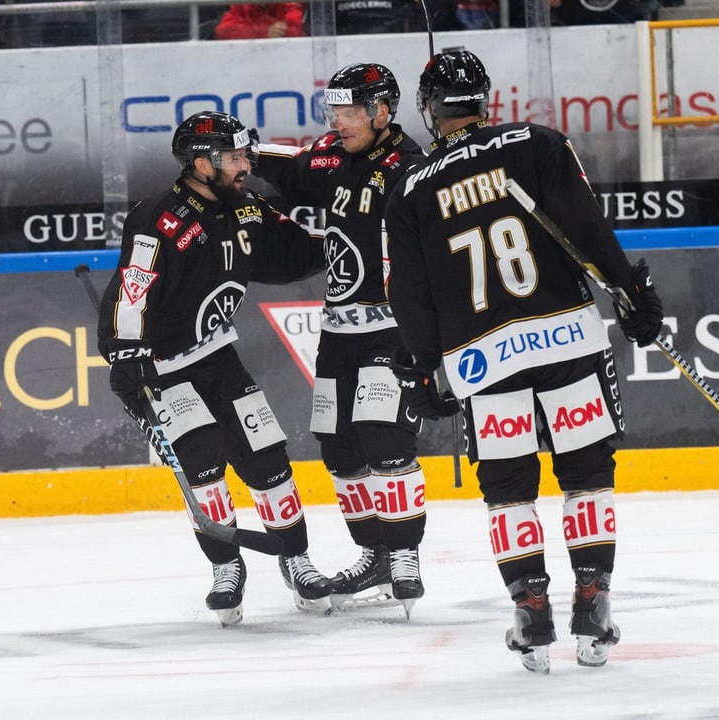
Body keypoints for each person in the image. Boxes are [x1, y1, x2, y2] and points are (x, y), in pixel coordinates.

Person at [384, 50, 664, 672]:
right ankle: (593, 603)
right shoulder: (539, 144)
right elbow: (587, 229)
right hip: (566, 340)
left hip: (483, 362)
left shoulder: (410, 187)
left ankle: (531, 611)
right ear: (486, 99)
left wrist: (429, 368)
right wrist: (631, 293)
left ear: (430, 111)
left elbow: (409, 292)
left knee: (509, 489)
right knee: (588, 472)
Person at [97, 111, 334, 626]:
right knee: (203, 468)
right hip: (166, 367)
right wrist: (126, 354)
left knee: (268, 459)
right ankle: (226, 568)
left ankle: (297, 559)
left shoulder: (243, 207)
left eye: (246, 154)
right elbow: (132, 291)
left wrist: (341, 244)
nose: (247, 164)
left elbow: (288, 254)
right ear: (201, 164)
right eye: (236, 157)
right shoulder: (159, 218)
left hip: (218, 356)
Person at [253, 63, 431, 617]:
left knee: (385, 441)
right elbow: (291, 166)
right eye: (334, 111)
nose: (339, 120)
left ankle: (404, 555)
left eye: (350, 111)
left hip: (394, 328)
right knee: (339, 447)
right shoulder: (333, 153)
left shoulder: (414, 168)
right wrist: (235, 152)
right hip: (338, 330)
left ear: (382, 111)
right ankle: (375, 552)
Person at [213, 3, 306, 39]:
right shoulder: (241, 4)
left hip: (286, 60)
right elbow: (223, 31)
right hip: (247, 61)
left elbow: (297, 31)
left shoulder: (290, 3)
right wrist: (265, 32)